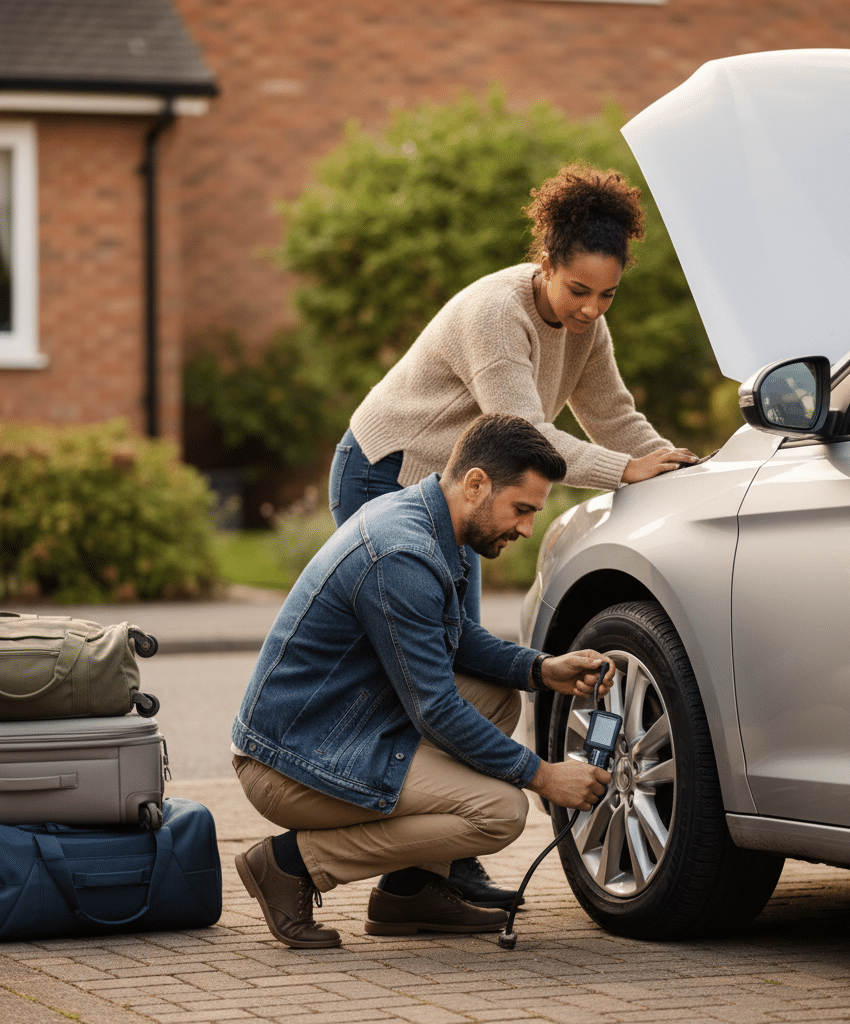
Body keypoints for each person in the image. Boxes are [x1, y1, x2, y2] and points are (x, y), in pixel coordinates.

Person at [329, 165, 696, 905]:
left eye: (607, 294)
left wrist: (678, 468)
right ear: (547, 264)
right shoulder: (496, 313)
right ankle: (426, 865)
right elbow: (525, 435)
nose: (592, 308)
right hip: (390, 471)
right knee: (429, 668)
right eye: (579, 291)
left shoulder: (589, 327)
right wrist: (625, 472)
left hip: (464, 485)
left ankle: (424, 874)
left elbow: (614, 419)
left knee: (460, 660)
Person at [232, 415, 615, 949]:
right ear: (476, 484)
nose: (526, 528)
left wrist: (541, 668)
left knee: (497, 699)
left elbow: (459, 642)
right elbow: (435, 707)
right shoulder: (401, 555)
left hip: (349, 726)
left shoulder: (437, 521)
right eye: (522, 509)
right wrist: (544, 777)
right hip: (294, 762)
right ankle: (290, 864)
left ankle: (412, 891)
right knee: (501, 813)